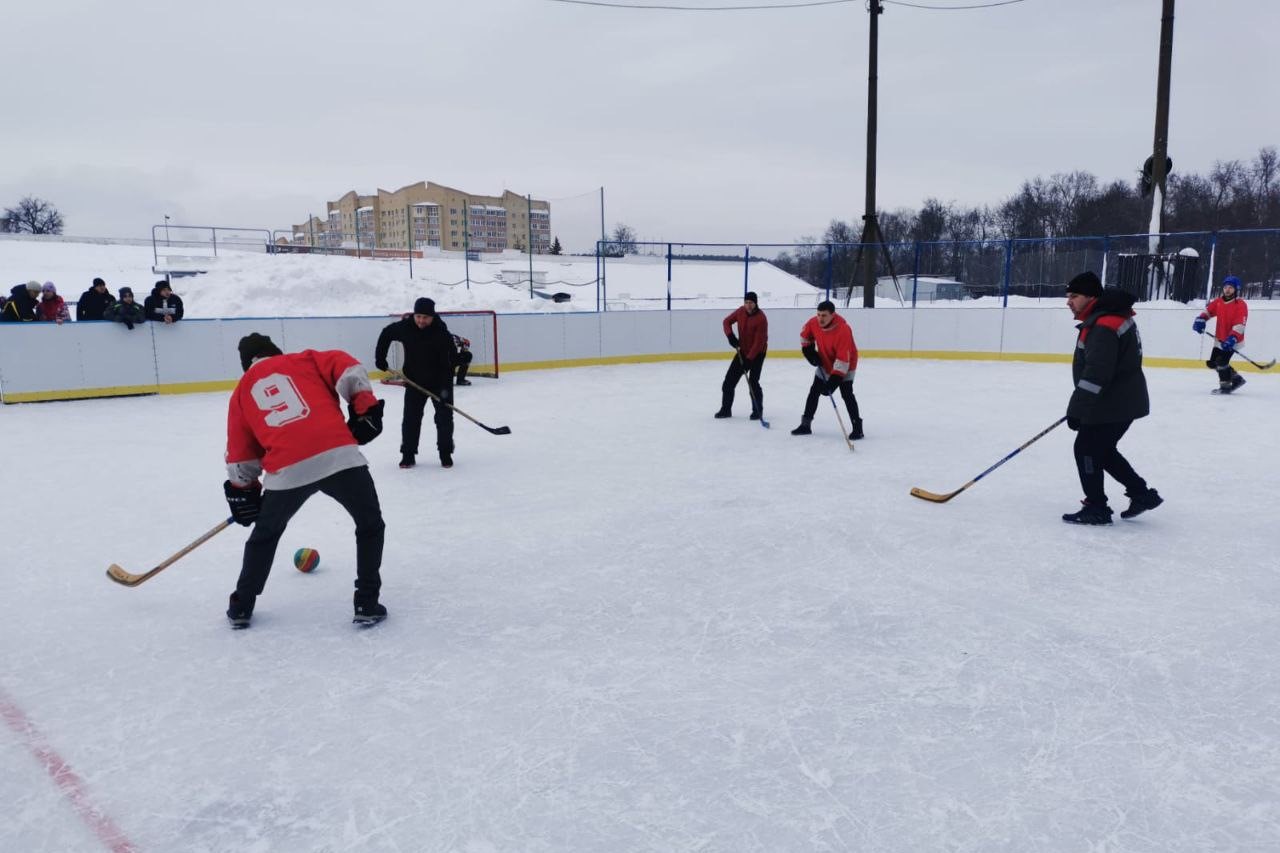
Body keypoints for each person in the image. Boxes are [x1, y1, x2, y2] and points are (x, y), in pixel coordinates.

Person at [223, 333, 388, 628]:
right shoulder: (305, 359)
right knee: (370, 524)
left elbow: (240, 452)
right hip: (339, 455)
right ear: (275, 351)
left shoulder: (241, 392)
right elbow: (347, 366)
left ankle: (242, 606)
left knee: (265, 536)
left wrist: (243, 490)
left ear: (246, 364)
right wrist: (364, 406)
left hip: (287, 470)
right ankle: (366, 601)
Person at [1062, 271, 1162, 525]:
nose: (1068, 301)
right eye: (1068, 296)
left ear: (1091, 297)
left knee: (1085, 449)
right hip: (1120, 400)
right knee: (1101, 450)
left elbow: (1096, 374)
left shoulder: (1104, 324)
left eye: (1074, 296)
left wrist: (1077, 408)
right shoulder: (1109, 318)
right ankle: (1141, 494)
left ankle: (1096, 507)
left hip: (1111, 402)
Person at [373, 297, 457, 469]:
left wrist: (459, 362)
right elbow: (386, 334)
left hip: (440, 383)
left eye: (425, 317)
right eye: (418, 316)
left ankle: (445, 453)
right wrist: (380, 357)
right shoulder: (406, 327)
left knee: (444, 419)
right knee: (411, 419)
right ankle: (408, 454)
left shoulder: (442, 333)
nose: (421, 321)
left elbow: (450, 362)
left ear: (433, 317)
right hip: (414, 381)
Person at [790, 300, 863, 439]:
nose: (820, 319)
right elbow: (804, 338)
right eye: (818, 314)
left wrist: (831, 384)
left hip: (846, 363)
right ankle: (805, 425)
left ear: (833, 315)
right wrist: (811, 353)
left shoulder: (843, 330)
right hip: (825, 361)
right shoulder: (813, 323)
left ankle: (857, 428)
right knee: (814, 391)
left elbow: (842, 360)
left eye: (824, 315)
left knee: (846, 394)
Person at [714, 291, 768, 420]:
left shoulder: (761, 319)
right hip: (742, 351)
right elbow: (726, 322)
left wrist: (749, 360)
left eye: (751, 303)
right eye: (746, 302)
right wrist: (730, 336)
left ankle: (757, 411)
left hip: (758, 353)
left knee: (753, 382)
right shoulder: (740, 312)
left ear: (756, 303)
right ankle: (726, 410)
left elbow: (759, 342)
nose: (748, 305)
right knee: (728, 382)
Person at [1193, 274, 1248, 394]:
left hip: (1233, 340)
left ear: (1236, 289)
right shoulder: (1218, 302)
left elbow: (1240, 324)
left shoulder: (1240, 305)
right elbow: (1208, 312)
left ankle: (1225, 387)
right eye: (1225, 287)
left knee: (1222, 362)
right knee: (1213, 363)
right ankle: (1236, 379)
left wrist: (1232, 338)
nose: (1227, 290)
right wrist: (1201, 319)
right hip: (1219, 339)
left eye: (1230, 287)